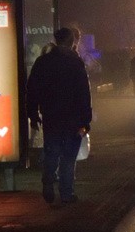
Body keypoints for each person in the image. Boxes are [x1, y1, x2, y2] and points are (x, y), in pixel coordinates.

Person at [26, 27, 93, 204]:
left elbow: (32, 89)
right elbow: (84, 93)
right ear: (72, 42)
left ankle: (48, 182)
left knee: (52, 151)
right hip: (73, 117)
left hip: (51, 115)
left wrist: (33, 114)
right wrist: (86, 120)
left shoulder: (43, 62)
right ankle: (66, 192)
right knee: (69, 156)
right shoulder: (76, 63)